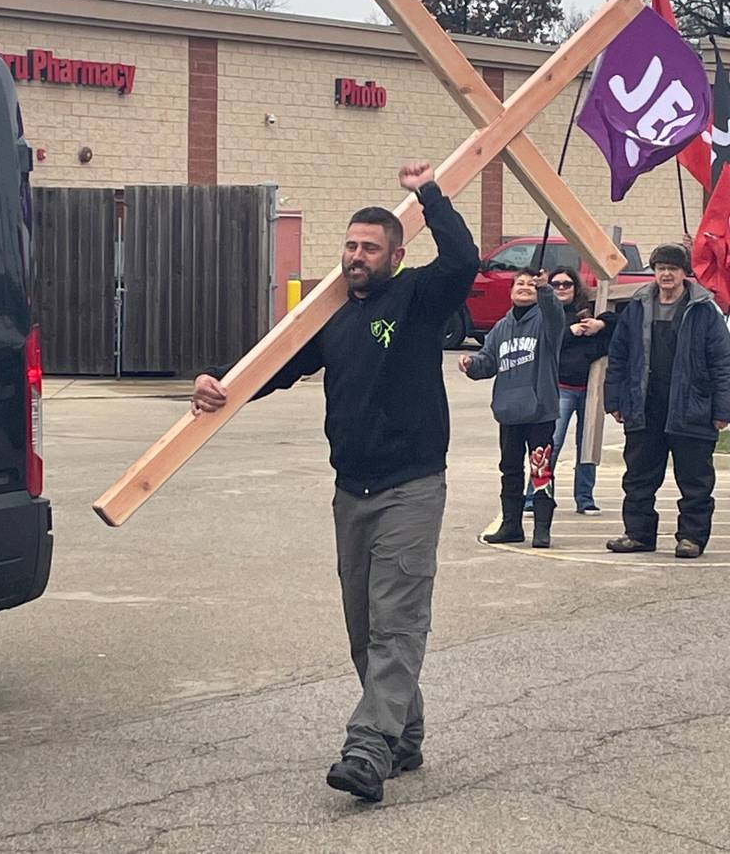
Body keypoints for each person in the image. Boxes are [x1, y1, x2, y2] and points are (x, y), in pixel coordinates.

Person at [191, 161, 479, 803]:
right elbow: (278, 365)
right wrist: (222, 382)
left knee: (397, 623)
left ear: (395, 256)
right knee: (363, 624)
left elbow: (463, 259)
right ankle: (404, 736)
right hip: (353, 492)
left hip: (411, 487)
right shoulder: (333, 318)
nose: (355, 256)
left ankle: (368, 748)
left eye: (368, 248)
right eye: (349, 245)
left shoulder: (418, 298)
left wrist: (428, 192)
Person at [605, 243, 730, 558]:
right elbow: (619, 356)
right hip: (644, 406)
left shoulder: (705, 309)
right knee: (638, 478)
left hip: (692, 407)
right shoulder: (637, 306)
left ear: (685, 273)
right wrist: (615, 400)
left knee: (695, 481)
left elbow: (722, 363)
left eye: (672, 268)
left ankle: (691, 538)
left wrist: (722, 409)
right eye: (660, 268)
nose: (666, 274)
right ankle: (638, 534)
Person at [459, 268, 565, 548]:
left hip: (540, 410)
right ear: (510, 290)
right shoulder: (501, 328)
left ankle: (542, 529)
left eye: (531, 284)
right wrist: (471, 365)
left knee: (540, 470)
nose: (525, 287)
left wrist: (546, 291)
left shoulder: (546, 321)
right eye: (520, 283)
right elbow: (487, 362)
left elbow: (555, 311)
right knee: (510, 469)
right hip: (509, 411)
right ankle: (511, 524)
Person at [523, 266, 615, 515]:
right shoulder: (546, 312)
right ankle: (535, 495)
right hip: (560, 388)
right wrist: (571, 333)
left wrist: (601, 324)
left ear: (576, 287)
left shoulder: (588, 311)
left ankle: (585, 497)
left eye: (567, 284)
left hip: (590, 389)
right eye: (556, 284)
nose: (561, 288)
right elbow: (543, 341)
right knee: (550, 443)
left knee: (588, 446)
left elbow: (617, 330)